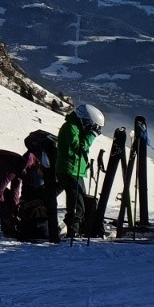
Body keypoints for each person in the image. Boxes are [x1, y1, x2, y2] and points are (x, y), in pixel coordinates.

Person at [56, 101, 106, 239]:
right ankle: (73, 231)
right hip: (69, 170)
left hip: (75, 169)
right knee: (77, 204)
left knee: (80, 201)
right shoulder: (70, 128)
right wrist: (92, 135)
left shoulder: (75, 128)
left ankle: (77, 228)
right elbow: (79, 147)